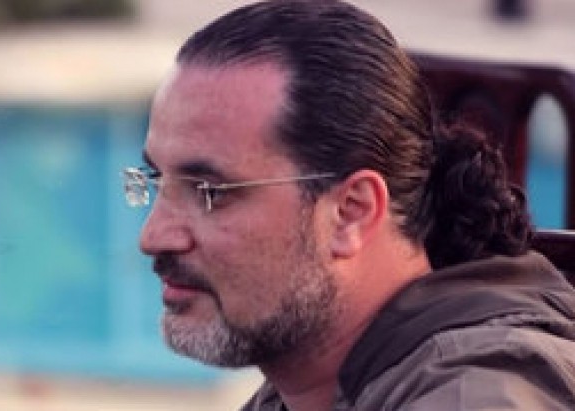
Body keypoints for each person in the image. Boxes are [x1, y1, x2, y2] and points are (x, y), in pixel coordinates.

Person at [121, 1, 575, 409]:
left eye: (209, 191)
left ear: (351, 212)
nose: (153, 236)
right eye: (157, 180)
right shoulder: (319, 381)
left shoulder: (477, 392)